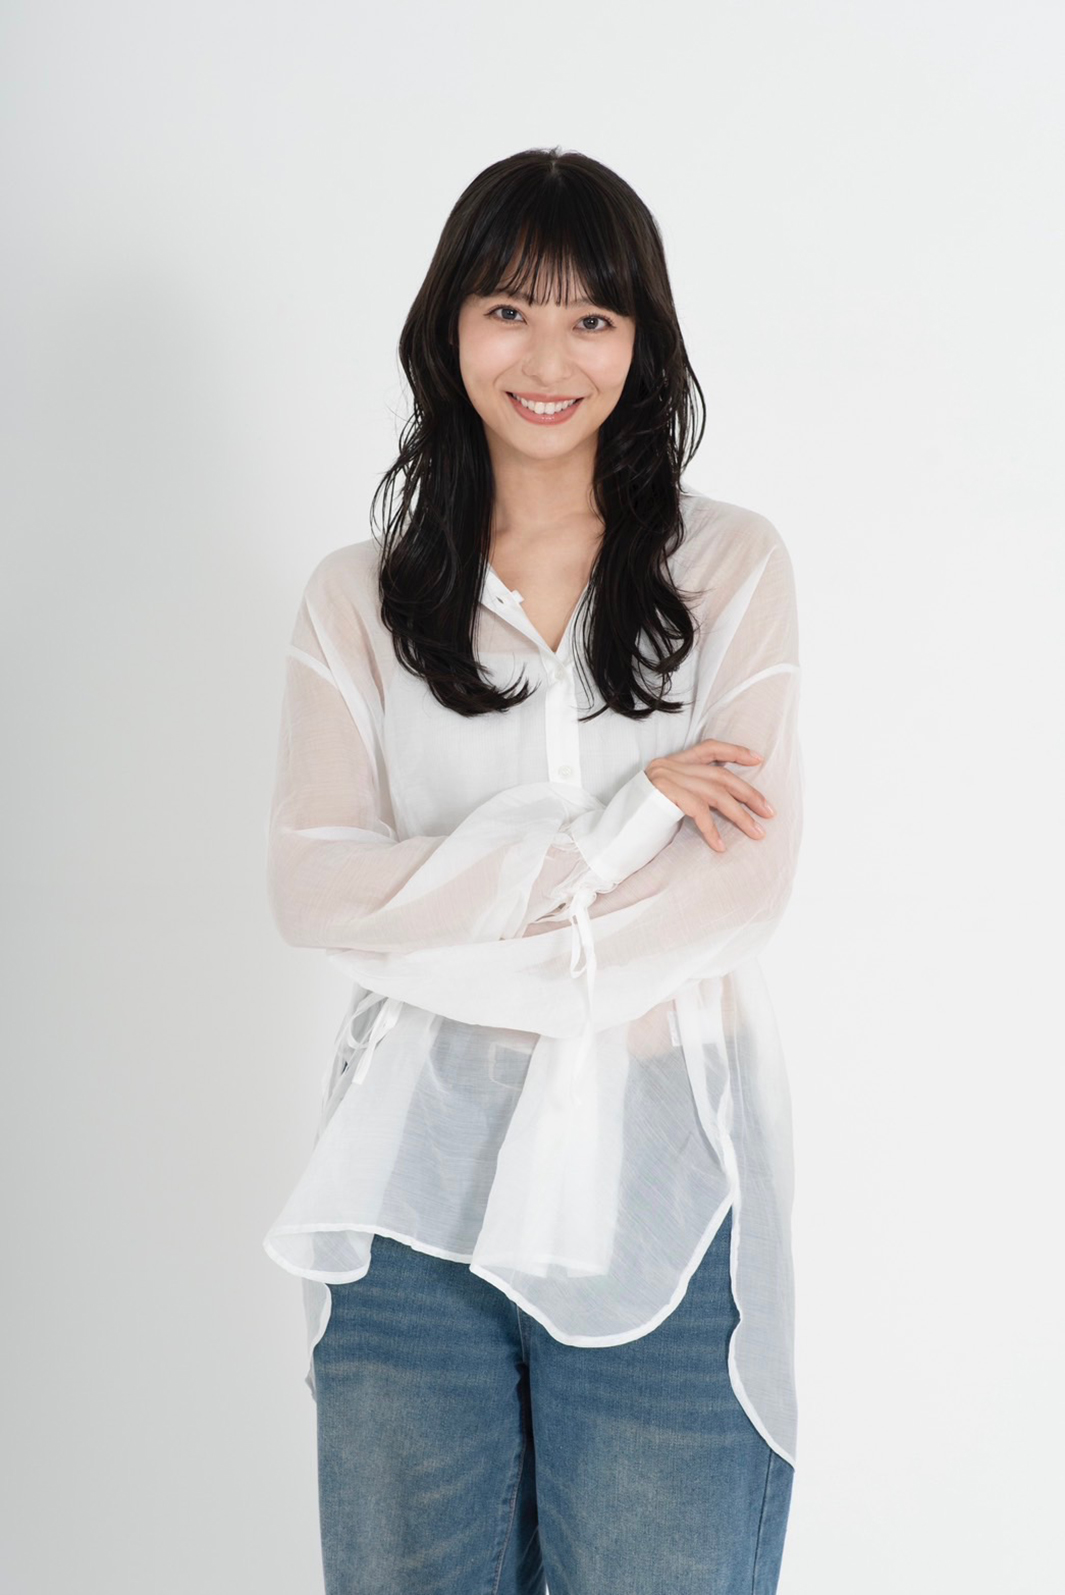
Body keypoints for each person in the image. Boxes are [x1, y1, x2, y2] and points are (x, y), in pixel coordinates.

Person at [262, 145, 805, 1595]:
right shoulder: (360, 598)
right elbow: (313, 890)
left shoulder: (728, 570)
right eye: (507, 310)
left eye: (591, 317)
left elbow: (740, 889)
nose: (547, 359)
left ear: (641, 340)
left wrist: (445, 924)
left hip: (660, 1180)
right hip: (409, 1182)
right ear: (449, 326)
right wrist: (611, 835)